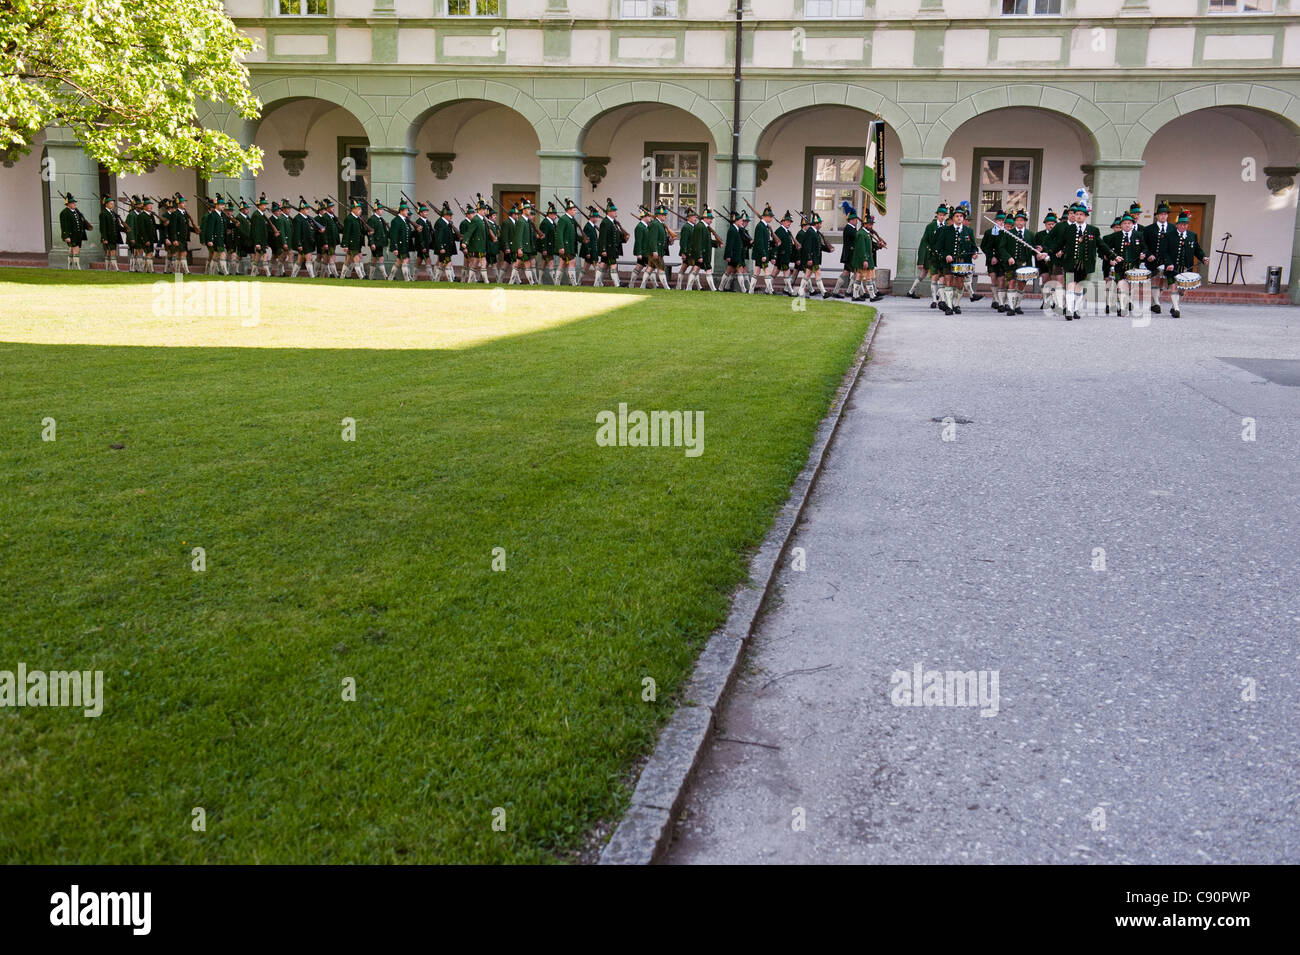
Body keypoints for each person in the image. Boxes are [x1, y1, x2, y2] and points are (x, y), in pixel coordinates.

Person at [1159, 209, 1206, 318]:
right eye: (1182, 224)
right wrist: (1168, 263)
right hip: (1172, 268)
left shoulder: (1192, 235)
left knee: (1182, 290)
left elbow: (1197, 250)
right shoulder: (1168, 235)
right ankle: (1176, 309)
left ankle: (1174, 305)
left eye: (1186, 224)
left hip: (1186, 268)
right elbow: (1164, 252)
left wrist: (1203, 257)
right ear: (1177, 225)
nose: (1184, 226)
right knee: (1173, 287)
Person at [932, 203, 978, 314]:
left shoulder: (968, 231)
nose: (959, 218)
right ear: (953, 218)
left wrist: (974, 253)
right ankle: (949, 306)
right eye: (957, 216)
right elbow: (938, 247)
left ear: (963, 218)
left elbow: (973, 246)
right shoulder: (945, 230)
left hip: (962, 262)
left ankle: (956, 304)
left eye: (961, 216)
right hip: (948, 261)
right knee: (948, 280)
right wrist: (945, 255)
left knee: (960, 283)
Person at [998, 209, 1039, 315]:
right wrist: (1008, 257)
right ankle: (1011, 307)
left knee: (1021, 285)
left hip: (1025, 264)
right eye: (1018, 220)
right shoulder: (1009, 233)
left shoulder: (1030, 234)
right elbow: (1001, 248)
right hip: (1012, 263)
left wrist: (1039, 252)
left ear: (1025, 222)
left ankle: (1017, 305)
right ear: (1015, 222)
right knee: (1011, 282)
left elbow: (1033, 249)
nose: (1020, 222)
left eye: (1022, 220)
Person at [1108, 211, 1148, 315]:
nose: (1127, 225)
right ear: (1121, 225)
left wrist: (1143, 253)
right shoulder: (1115, 236)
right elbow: (1106, 248)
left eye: (1129, 223)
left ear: (1132, 224)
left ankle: (1126, 302)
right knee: (1121, 285)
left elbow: (1145, 247)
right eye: (1124, 223)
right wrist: (1111, 258)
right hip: (1119, 266)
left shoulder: (1139, 235)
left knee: (1130, 287)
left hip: (1133, 265)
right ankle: (1122, 307)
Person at [909, 203, 947, 305]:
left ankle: (941, 299)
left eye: (944, 215)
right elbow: (924, 242)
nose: (942, 216)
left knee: (941, 277)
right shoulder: (930, 227)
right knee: (934, 276)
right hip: (932, 256)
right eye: (940, 214)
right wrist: (922, 258)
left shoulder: (948, 227)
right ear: (937, 215)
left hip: (942, 257)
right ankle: (934, 300)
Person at [1143, 200, 1172, 313]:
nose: (1163, 216)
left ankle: (1155, 301)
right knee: (1155, 279)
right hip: (1153, 259)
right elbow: (1144, 244)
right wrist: (1148, 255)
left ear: (1167, 215)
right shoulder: (1149, 229)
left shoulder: (1172, 229)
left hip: (1166, 260)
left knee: (1162, 282)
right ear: (1157, 216)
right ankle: (1157, 303)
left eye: (1165, 214)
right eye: (1161, 214)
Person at [202, 196, 227, 274]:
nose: (223, 206)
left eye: (223, 204)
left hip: (220, 239)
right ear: (216, 205)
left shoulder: (221, 215)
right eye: (221, 204)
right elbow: (210, 228)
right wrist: (209, 239)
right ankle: (225, 272)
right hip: (216, 239)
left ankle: (211, 272)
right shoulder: (212, 215)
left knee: (215, 256)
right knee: (222, 254)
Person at [132, 196, 158, 273]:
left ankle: (145, 269)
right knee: (148, 253)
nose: (151, 206)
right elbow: (142, 229)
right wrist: (146, 239)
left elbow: (154, 226)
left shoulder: (151, 215)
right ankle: (150, 270)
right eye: (149, 205)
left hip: (151, 238)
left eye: (151, 205)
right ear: (145, 207)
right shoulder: (141, 216)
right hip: (146, 239)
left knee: (150, 254)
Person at [342, 198, 366, 279]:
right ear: (353, 209)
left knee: (348, 261)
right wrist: (345, 245)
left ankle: (343, 276)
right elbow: (346, 233)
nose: (361, 210)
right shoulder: (349, 219)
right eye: (358, 209)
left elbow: (360, 231)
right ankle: (361, 277)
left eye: (360, 209)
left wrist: (367, 232)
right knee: (357, 260)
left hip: (357, 243)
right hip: (352, 243)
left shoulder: (357, 219)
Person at [98, 195, 123, 271]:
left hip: (114, 236)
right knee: (112, 251)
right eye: (111, 203)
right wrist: (104, 238)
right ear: (106, 204)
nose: (113, 205)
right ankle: (115, 267)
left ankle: (107, 268)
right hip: (108, 236)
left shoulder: (113, 213)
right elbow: (103, 227)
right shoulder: (103, 213)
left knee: (109, 252)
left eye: (113, 203)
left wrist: (125, 229)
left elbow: (117, 225)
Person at [367, 201, 390, 279]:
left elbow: (384, 231)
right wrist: (372, 243)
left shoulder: (380, 219)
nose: (382, 211)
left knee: (374, 259)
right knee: (381, 258)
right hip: (376, 243)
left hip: (380, 242)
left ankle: (370, 277)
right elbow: (370, 233)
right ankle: (385, 276)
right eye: (380, 209)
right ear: (376, 210)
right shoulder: (372, 219)